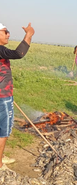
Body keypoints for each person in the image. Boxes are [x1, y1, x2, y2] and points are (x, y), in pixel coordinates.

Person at [0, 22, 35, 170]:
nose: (8, 34)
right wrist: (28, 35)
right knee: (3, 131)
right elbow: (18, 54)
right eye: (5, 31)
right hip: (3, 96)